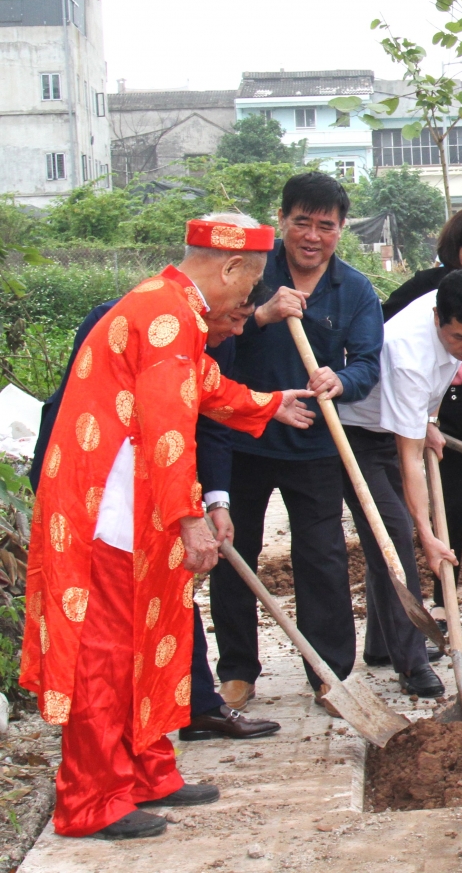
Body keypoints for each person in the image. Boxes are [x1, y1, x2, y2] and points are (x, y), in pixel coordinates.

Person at [22, 213, 315, 839]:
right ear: (231, 266)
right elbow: (163, 428)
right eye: (252, 283)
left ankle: (148, 771)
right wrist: (192, 520)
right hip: (108, 512)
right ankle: (90, 802)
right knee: (105, 654)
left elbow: (202, 387)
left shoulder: (175, 312)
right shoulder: (165, 314)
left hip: (137, 510)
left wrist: (268, 403)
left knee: (157, 636)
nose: (250, 300)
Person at [29, 287, 283, 746]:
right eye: (239, 318)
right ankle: (100, 777)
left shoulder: (199, 332)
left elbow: (208, 407)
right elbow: (164, 428)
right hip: (99, 496)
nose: (239, 331)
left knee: (164, 614)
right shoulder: (139, 324)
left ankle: (171, 734)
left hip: (148, 502)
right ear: (224, 281)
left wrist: (217, 499)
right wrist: (189, 518)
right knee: (109, 640)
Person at [211, 172, 383, 714]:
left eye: (325, 226)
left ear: (341, 229)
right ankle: (238, 671)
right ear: (281, 220)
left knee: (324, 560)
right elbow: (214, 348)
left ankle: (329, 674)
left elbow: (367, 363)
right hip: (246, 440)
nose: (313, 235)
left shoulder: (353, 290)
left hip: (314, 445)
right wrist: (260, 316)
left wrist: (342, 381)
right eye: (302, 222)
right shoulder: (252, 278)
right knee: (234, 556)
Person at [378, 208, 462, 640]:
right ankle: (445, 602)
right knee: (449, 506)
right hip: (436, 408)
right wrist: (425, 417)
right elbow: (385, 326)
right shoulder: (427, 291)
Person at [347, 269, 462, 637]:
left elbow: (424, 399)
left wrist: (427, 421)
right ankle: (412, 654)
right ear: (436, 318)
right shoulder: (408, 355)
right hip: (356, 431)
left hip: (395, 419)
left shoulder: (458, 311)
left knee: (386, 533)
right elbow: (410, 459)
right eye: (459, 338)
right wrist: (428, 536)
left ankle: (382, 646)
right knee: (396, 532)